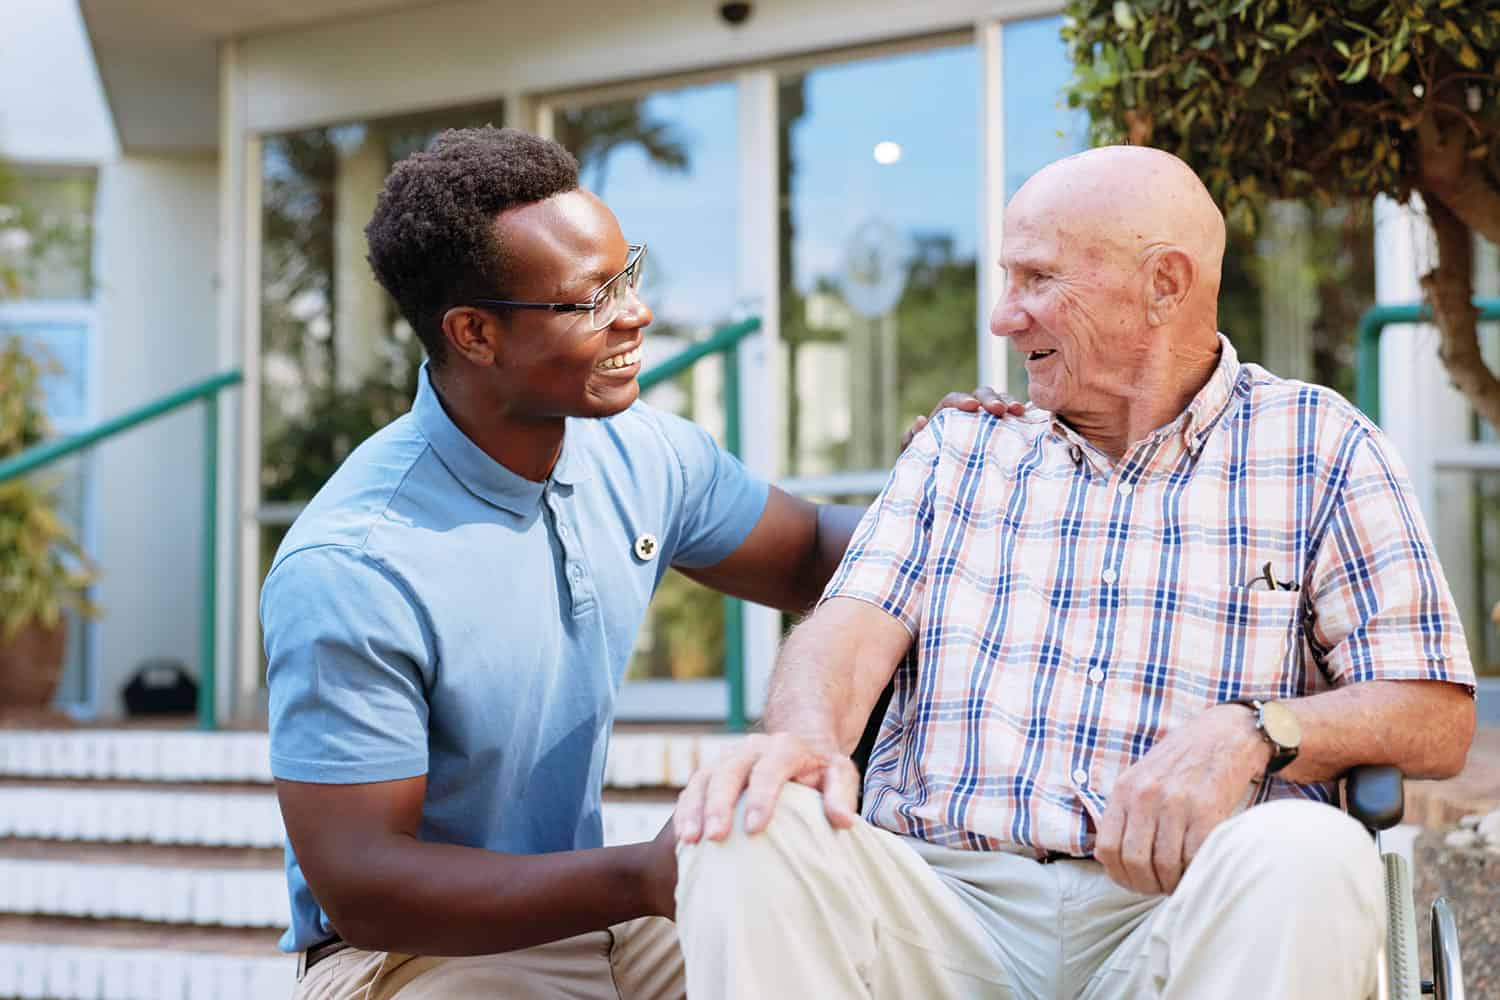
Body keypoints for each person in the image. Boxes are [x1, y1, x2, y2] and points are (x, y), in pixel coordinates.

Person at [674, 145, 1478, 1000]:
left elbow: (1433, 714)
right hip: (939, 903)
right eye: (1004, 277)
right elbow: (848, 625)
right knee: (746, 821)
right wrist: (803, 738)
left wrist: (1258, 729)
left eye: (1038, 279)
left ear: (1165, 284)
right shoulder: (962, 447)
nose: (1001, 316)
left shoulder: (1321, 446)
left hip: (1183, 909)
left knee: (1312, 855)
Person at [260, 126, 1018, 999]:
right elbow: (366, 887)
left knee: (855, 956)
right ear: (473, 333)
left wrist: (952, 491)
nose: (637, 312)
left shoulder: (638, 450)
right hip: (414, 955)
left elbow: (811, 552)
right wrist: (641, 875)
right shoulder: (355, 567)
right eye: (592, 298)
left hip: (598, 922)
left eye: (632, 273)